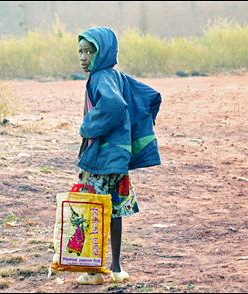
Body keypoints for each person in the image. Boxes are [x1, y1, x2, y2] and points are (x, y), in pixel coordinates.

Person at [76, 27, 162, 285]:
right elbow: (148, 96)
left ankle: (93, 273)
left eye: (89, 52)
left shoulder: (99, 78)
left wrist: (87, 126)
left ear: (101, 53)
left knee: (93, 210)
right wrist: (128, 134)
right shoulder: (116, 76)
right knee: (114, 212)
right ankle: (115, 269)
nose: (83, 57)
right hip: (119, 160)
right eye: (80, 51)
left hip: (101, 160)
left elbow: (114, 105)